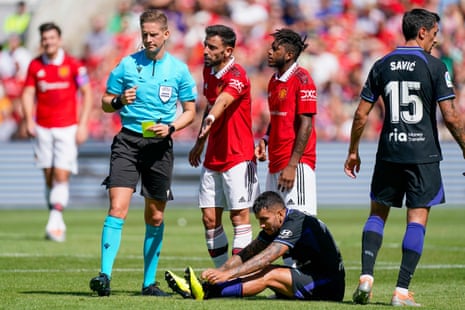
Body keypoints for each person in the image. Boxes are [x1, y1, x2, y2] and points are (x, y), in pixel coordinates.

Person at [344, 8, 465, 307]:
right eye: (435, 34)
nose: (435, 41)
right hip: (422, 155)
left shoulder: (381, 63)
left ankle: (366, 278)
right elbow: (451, 116)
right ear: (422, 32)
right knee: (417, 219)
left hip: (389, 152)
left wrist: (353, 151)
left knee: (376, 214)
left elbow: (361, 114)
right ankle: (400, 291)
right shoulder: (435, 66)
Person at [89, 9, 197, 297]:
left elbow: (190, 111)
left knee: (156, 217)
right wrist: (120, 99)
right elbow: (105, 102)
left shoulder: (179, 70)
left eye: (153, 34)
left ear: (166, 34)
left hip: (159, 147)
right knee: (117, 208)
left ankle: (149, 283)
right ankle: (104, 277)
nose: (148, 39)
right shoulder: (126, 65)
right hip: (127, 142)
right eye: (144, 34)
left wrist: (172, 127)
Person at [164, 191, 345, 301]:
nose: (261, 225)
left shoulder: (296, 221)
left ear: (280, 214)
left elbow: (268, 256)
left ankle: (205, 292)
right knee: (256, 268)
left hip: (327, 284)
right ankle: (200, 286)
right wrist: (218, 272)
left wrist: (227, 274)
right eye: (259, 220)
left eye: (265, 220)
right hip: (310, 276)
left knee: (268, 273)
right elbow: (247, 254)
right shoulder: (276, 224)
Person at [188, 24, 260, 268]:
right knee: (209, 219)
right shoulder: (208, 72)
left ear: (228, 51)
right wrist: (200, 141)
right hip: (213, 155)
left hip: (238, 156)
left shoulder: (238, 75)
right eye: (205, 45)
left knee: (239, 217)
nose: (206, 51)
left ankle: (238, 276)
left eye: (212, 47)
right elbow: (210, 104)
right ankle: (222, 274)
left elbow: (222, 101)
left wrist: (210, 118)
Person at [21, 22, 93, 242]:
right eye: (45, 38)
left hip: (67, 128)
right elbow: (27, 93)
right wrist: (28, 120)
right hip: (42, 128)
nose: (48, 42)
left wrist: (82, 125)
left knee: (62, 174)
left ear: (59, 40)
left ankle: (55, 221)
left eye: (52, 38)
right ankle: (56, 216)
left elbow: (87, 93)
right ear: (42, 41)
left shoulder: (73, 65)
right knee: (49, 175)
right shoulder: (35, 66)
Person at [254, 28, 318, 217]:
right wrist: (266, 138)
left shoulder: (303, 79)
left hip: (295, 163)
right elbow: (278, 118)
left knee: (300, 221)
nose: (269, 52)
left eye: (275, 49)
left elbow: (306, 124)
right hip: (275, 161)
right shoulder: (274, 80)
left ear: (289, 55)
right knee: (274, 221)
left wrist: (292, 166)